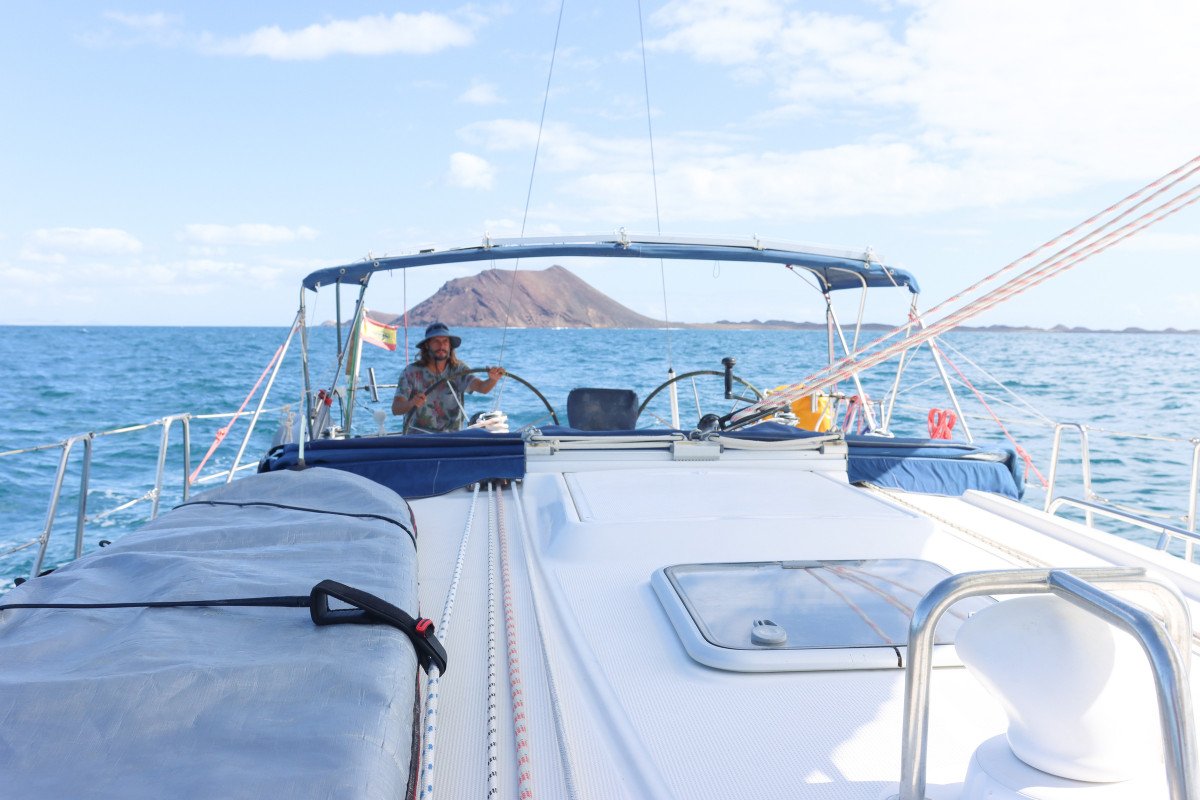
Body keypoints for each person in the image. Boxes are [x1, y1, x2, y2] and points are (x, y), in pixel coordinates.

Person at [391, 322, 504, 432]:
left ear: (450, 346)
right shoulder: (411, 372)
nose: (441, 345)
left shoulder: (459, 369)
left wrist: (492, 379)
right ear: (427, 345)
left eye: (445, 341)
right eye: (436, 341)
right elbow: (396, 408)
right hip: (419, 439)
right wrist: (411, 403)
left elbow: (482, 387)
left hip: (451, 440)